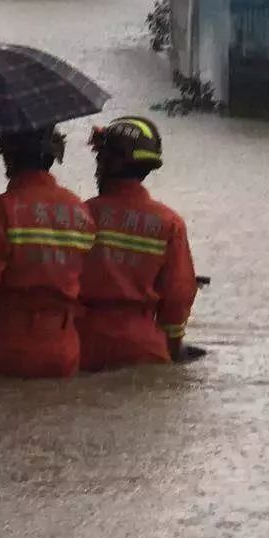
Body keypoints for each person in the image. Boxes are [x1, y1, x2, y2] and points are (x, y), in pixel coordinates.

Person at [0, 127, 95, 378]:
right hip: (61, 348)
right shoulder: (80, 209)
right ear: (52, 157)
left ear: (9, 158)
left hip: (4, 346)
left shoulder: (1, 208)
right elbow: (87, 280)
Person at [79, 116, 197, 369]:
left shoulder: (80, 214)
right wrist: (173, 347)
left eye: (100, 158)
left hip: (83, 344)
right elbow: (178, 295)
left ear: (106, 162)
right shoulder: (169, 223)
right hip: (145, 348)